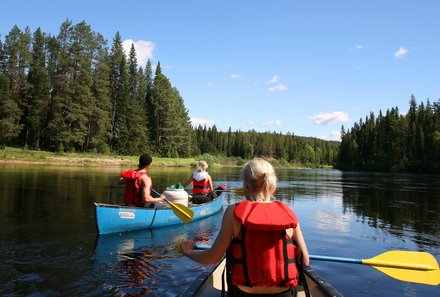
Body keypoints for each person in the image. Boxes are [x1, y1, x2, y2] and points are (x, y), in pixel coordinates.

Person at [180, 158, 310, 297]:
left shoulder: (233, 213)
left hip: (244, 293)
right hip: (284, 293)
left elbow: (213, 257)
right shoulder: (288, 213)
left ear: (245, 184)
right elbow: (304, 260)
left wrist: (188, 252)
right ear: (272, 186)